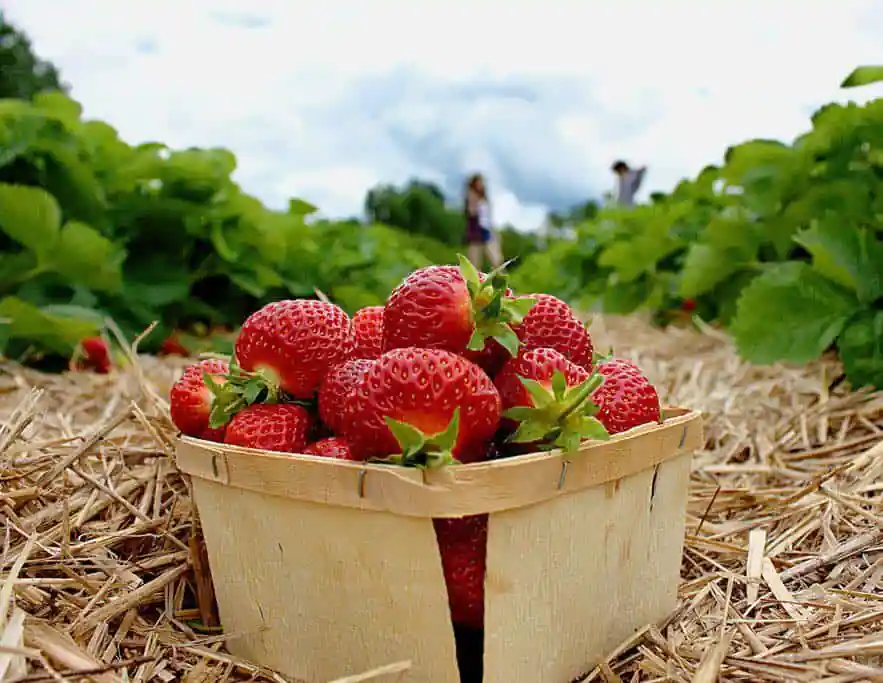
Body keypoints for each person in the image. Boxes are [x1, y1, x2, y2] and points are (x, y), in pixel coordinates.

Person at [463, 173, 503, 269]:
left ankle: (503, 282)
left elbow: (488, 217)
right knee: (474, 265)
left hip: (487, 230)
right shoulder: (471, 195)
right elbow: (471, 212)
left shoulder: (484, 198)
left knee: (497, 261)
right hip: (475, 231)